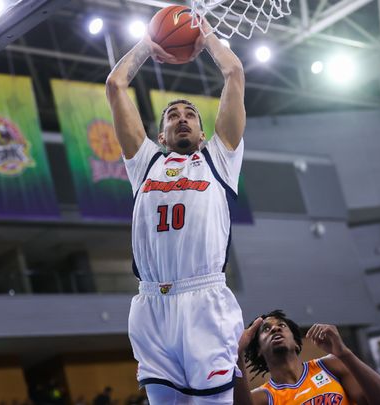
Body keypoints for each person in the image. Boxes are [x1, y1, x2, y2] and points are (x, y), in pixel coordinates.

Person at [105, 19, 246, 404]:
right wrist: (146, 47)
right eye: (172, 115)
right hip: (151, 305)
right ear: (160, 136)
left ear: (202, 134)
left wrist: (206, 38)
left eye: (190, 115)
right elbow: (115, 86)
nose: (182, 118)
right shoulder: (145, 163)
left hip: (204, 300)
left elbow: (234, 73)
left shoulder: (219, 159)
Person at [234, 310, 380, 404]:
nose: (275, 329)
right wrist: (237, 355)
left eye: (282, 325)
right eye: (266, 329)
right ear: (259, 350)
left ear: (296, 343)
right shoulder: (262, 397)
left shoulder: (331, 365)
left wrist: (345, 353)